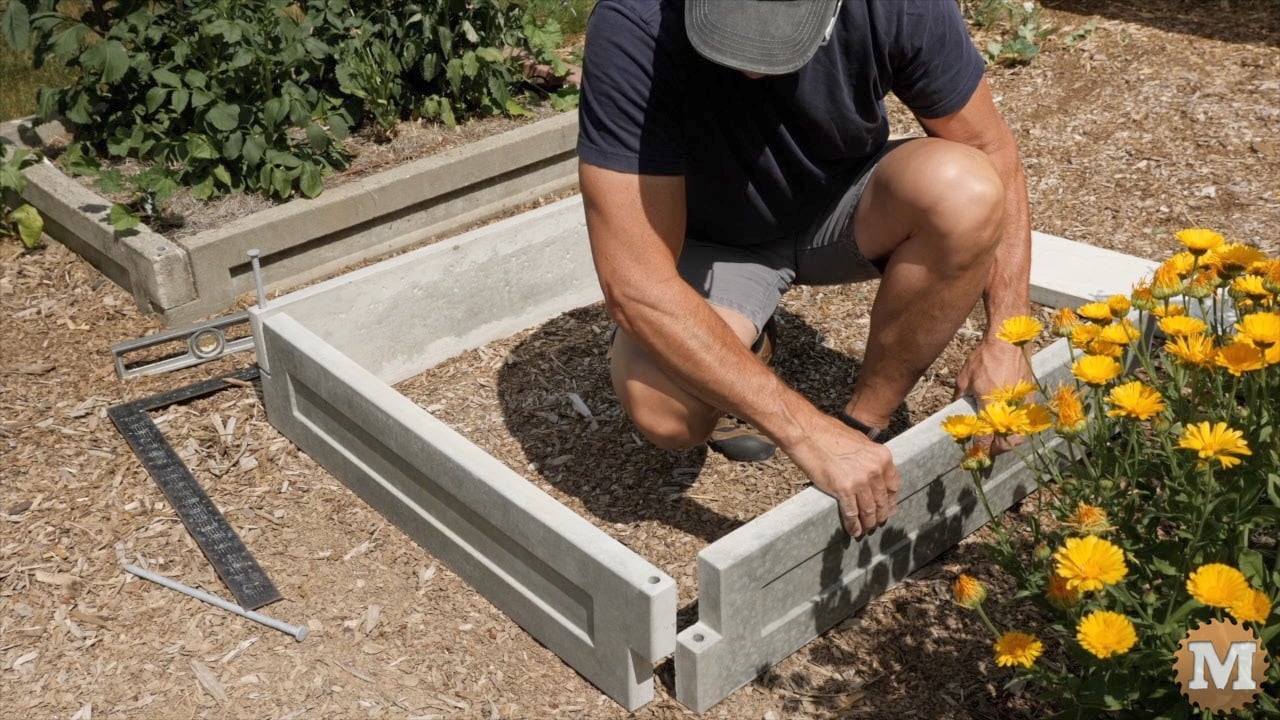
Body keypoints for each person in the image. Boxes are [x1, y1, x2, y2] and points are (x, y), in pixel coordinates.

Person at [576, 0, 1033, 538]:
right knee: (664, 411)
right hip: (712, 239)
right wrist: (801, 430)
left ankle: (865, 422)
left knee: (968, 189)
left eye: (779, 41)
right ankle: (745, 341)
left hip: (842, 206)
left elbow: (990, 148)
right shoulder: (637, 24)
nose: (750, 66)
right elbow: (637, 285)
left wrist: (1009, 338)